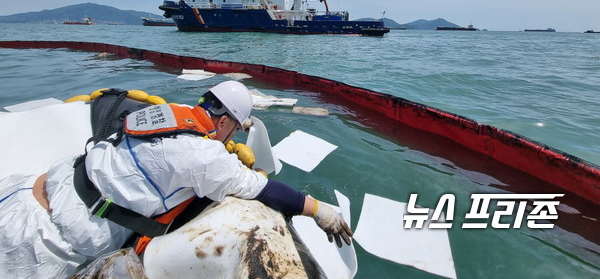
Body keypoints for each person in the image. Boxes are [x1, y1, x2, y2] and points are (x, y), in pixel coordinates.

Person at [0, 81, 352, 278]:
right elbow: (266, 188)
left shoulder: (165, 114)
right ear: (227, 122)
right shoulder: (205, 156)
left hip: (27, 192)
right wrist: (321, 211)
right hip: (45, 244)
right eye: (235, 130)